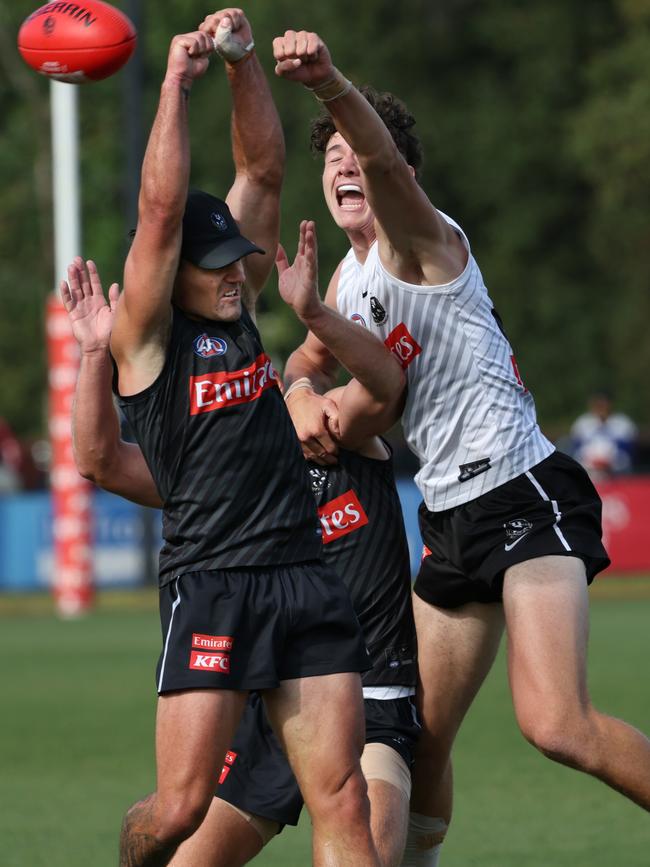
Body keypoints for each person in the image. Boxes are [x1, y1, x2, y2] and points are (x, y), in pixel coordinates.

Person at [272, 27, 650, 864]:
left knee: (557, 724)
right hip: (446, 519)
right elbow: (306, 355)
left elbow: (388, 166)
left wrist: (331, 81)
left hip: (522, 489)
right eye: (328, 154)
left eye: (354, 148)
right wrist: (301, 386)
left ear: (388, 170)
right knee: (415, 738)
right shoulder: (344, 279)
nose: (342, 162)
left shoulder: (419, 239)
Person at [101, 9, 400, 866]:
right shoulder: (147, 339)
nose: (239, 272)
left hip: (304, 574)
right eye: (217, 261)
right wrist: (170, 84)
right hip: (214, 585)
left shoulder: (235, 305)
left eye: (239, 258)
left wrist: (238, 64)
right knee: (179, 809)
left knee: (341, 795)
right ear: (167, 274)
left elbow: (261, 168)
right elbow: (161, 211)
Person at [62, 248, 417, 866]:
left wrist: (308, 336)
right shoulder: (215, 475)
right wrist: (96, 356)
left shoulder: (333, 431)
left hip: (371, 697)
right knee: (179, 826)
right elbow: (101, 461)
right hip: (260, 695)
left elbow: (386, 385)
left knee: (356, 822)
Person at [570, 391, 637, 481]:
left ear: (610, 404)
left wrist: (608, 462)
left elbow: (628, 453)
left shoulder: (623, 423)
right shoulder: (582, 422)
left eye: (603, 403)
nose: (601, 407)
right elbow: (576, 450)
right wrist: (593, 462)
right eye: (598, 404)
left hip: (616, 472)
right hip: (589, 472)